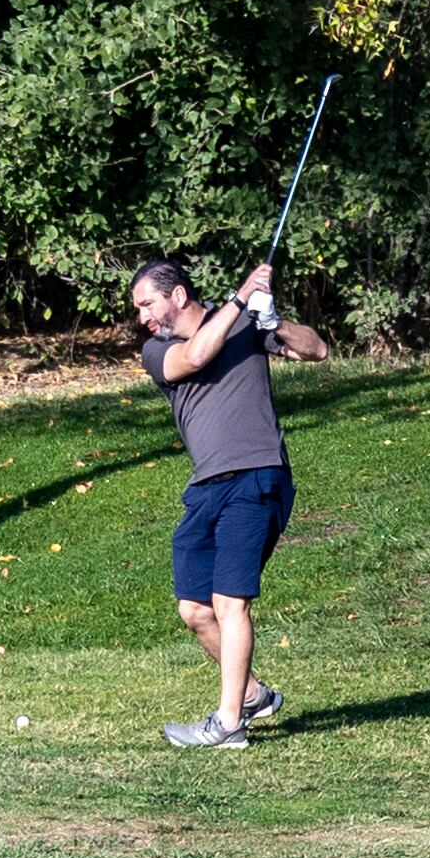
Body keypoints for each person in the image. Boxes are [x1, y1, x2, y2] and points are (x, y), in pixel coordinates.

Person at [129, 256, 329, 748]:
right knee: (195, 609)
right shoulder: (156, 351)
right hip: (206, 487)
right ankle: (253, 694)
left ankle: (229, 724)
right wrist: (241, 300)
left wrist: (272, 321)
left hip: (258, 475)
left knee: (229, 601)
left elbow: (317, 350)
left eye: (146, 304)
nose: (142, 317)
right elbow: (195, 357)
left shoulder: (243, 324)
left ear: (177, 295)